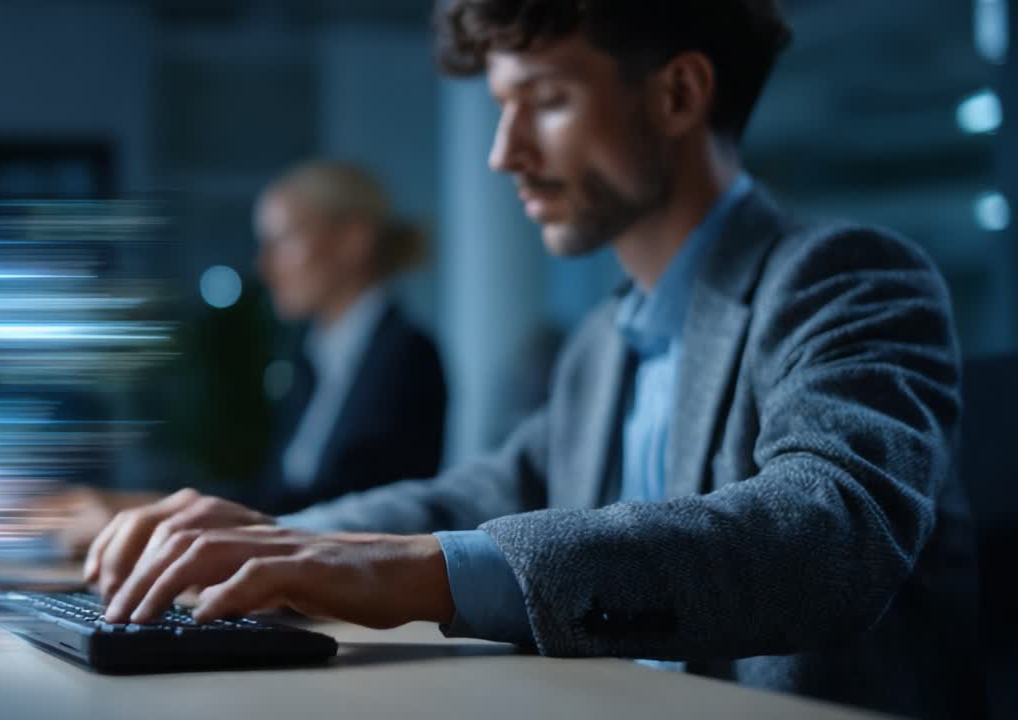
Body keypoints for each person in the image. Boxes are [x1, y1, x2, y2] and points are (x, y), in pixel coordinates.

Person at [79, 2, 978, 717]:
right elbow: (477, 497)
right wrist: (271, 545)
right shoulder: (599, 348)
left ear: (677, 96)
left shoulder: (846, 278)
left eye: (545, 101)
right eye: (501, 106)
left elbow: (826, 534)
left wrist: (398, 568)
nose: (503, 152)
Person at [33, 161, 447, 556]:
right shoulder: (312, 356)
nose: (264, 267)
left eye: (282, 241)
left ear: (353, 239)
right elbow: (281, 490)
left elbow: (349, 509)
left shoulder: (405, 358)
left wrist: (160, 509)